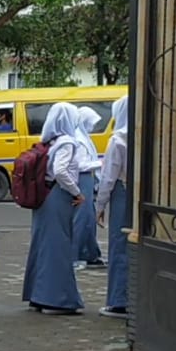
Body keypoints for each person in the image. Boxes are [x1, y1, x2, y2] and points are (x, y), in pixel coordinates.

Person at [22, 102, 86, 315]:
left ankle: (38, 295)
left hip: (44, 196)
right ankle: (56, 299)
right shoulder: (67, 142)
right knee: (58, 246)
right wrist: (77, 191)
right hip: (58, 195)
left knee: (42, 245)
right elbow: (61, 171)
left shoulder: (49, 142)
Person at [95, 96, 130, 318]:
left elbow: (108, 177)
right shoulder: (139, 137)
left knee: (118, 246)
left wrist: (99, 205)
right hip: (136, 193)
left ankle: (118, 300)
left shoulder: (117, 141)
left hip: (121, 193)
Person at [72, 106, 105, 269]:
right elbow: (80, 164)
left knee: (89, 218)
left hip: (88, 179)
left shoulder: (85, 138)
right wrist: (100, 163)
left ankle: (92, 253)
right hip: (82, 179)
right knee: (81, 218)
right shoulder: (79, 140)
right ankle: (75, 255)